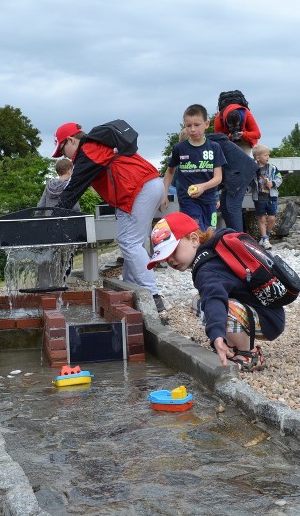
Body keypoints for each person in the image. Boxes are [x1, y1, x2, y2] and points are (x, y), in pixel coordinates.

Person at [146, 212, 285, 371]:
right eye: (164, 257)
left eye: (173, 252)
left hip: (268, 320)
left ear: (193, 239)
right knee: (200, 301)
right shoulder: (215, 249)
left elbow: (215, 299)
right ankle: (232, 346)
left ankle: (249, 354)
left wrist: (216, 336)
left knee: (214, 305)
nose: (169, 260)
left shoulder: (207, 269)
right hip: (268, 312)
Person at [52, 121, 167, 311]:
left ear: (71, 140)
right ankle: (132, 286)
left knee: (129, 242)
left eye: (63, 150)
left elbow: (73, 190)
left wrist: (53, 217)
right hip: (147, 184)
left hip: (139, 188)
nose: (65, 156)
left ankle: (153, 295)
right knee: (132, 242)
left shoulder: (88, 149)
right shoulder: (96, 145)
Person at [161, 104, 226, 231]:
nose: (192, 129)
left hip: (209, 199)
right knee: (196, 231)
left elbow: (218, 178)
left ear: (206, 124)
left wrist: (203, 187)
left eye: (197, 125)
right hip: (187, 199)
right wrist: (164, 193)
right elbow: (170, 172)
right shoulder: (179, 148)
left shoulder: (214, 147)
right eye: (188, 125)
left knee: (209, 232)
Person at [207, 131, 258, 232]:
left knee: (232, 206)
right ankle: (231, 235)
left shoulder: (209, 145)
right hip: (234, 172)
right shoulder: (211, 142)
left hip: (240, 173)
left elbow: (213, 170)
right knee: (225, 206)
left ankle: (239, 239)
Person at [252, 145, 282, 249]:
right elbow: (249, 182)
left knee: (272, 218)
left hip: (271, 196)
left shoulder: (273, 168)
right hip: (259, 198)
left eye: (268, 154)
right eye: (265, 155)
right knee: (262, 218)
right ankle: (264, 239)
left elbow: (279, 179)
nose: (268, 157)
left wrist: (273, 183)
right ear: (258, 157)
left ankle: (267, 236)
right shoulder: (253, 169)